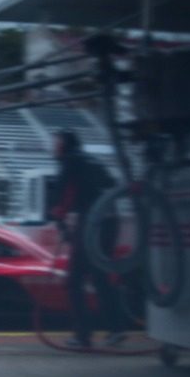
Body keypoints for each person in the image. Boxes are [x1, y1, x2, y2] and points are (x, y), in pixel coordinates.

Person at [48, 129, 127, 350]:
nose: (53, 146)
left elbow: (62, 200)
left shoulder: (70, 162)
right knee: (100, 276)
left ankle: (83, 336)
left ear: (64, 143)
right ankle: (116, 329)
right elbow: (112, 183)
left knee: (73, 280)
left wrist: (60, 222)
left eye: (55, 141)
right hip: (111, 220)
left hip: (93, 223)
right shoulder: (92, 160)